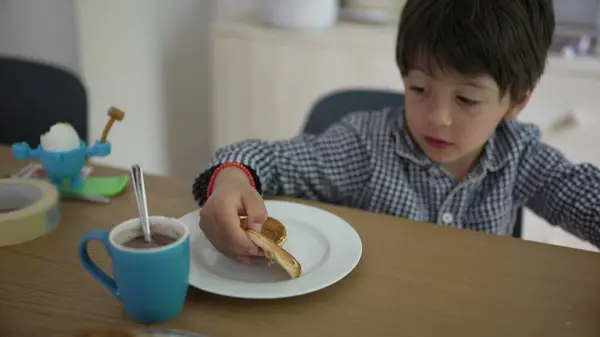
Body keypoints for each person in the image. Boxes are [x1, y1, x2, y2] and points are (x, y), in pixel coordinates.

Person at [192, 0, 600, 263]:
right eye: (419, 89)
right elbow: (263, 158)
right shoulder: (365, 145)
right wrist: (229, 182)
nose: (437, 117)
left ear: (516, 101)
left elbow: (584, 196)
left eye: (467, 100)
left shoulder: (522, 158)